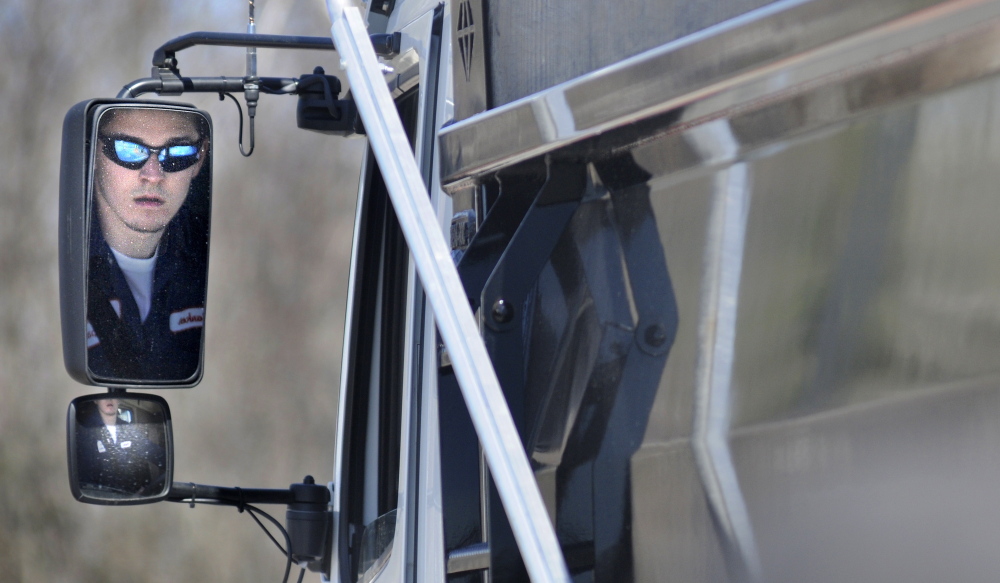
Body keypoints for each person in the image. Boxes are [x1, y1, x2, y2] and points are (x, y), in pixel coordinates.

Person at [86, 107, 211, 381]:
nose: (153, 175)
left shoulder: (216, 253)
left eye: (177, 153)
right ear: (93, 150)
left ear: (200, 158)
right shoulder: (49, 256)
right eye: (129, 150)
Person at [75, 398, 167, 496]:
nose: (109, 399)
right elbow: (84, 478)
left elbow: (155, 453)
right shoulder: (85, 432)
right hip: (101, 499)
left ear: (119, 400)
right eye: (103, 396)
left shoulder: (129, 430)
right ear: (95, 400)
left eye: (113, 396)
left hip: (131, 497)